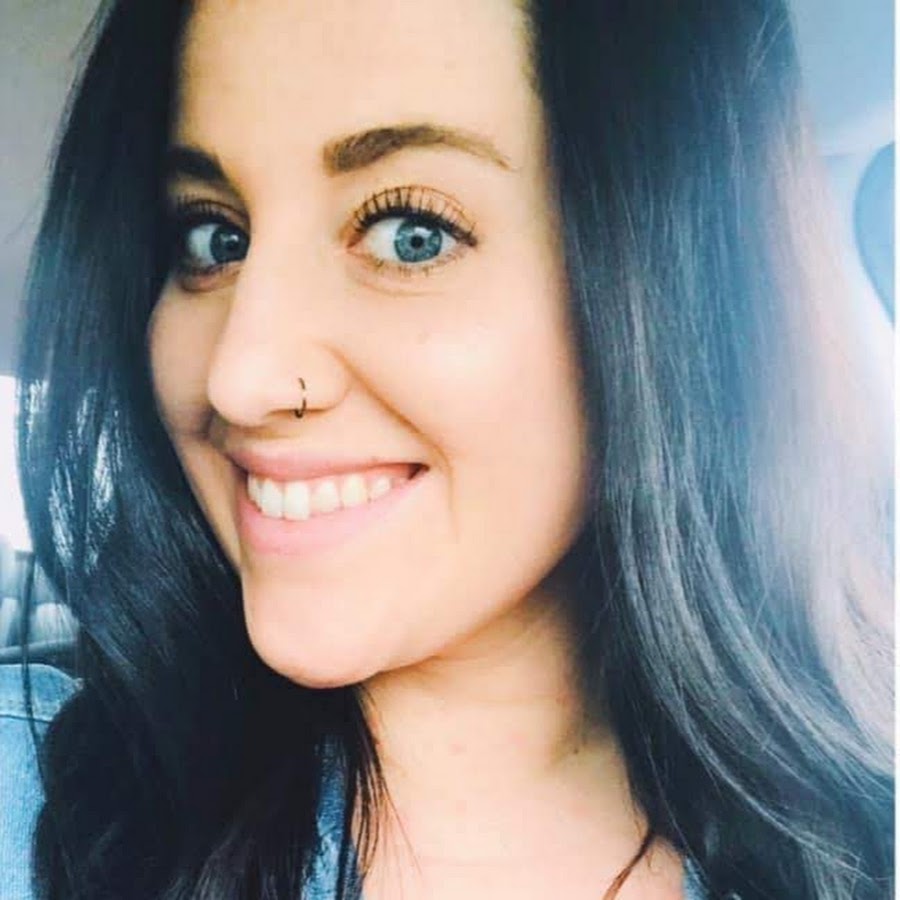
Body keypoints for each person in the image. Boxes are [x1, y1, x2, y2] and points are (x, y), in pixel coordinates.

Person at [0, 1, 892, 898]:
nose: (240, 376)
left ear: (670, 292)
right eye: (214, 238)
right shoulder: (28, 796)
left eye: (410, 234)